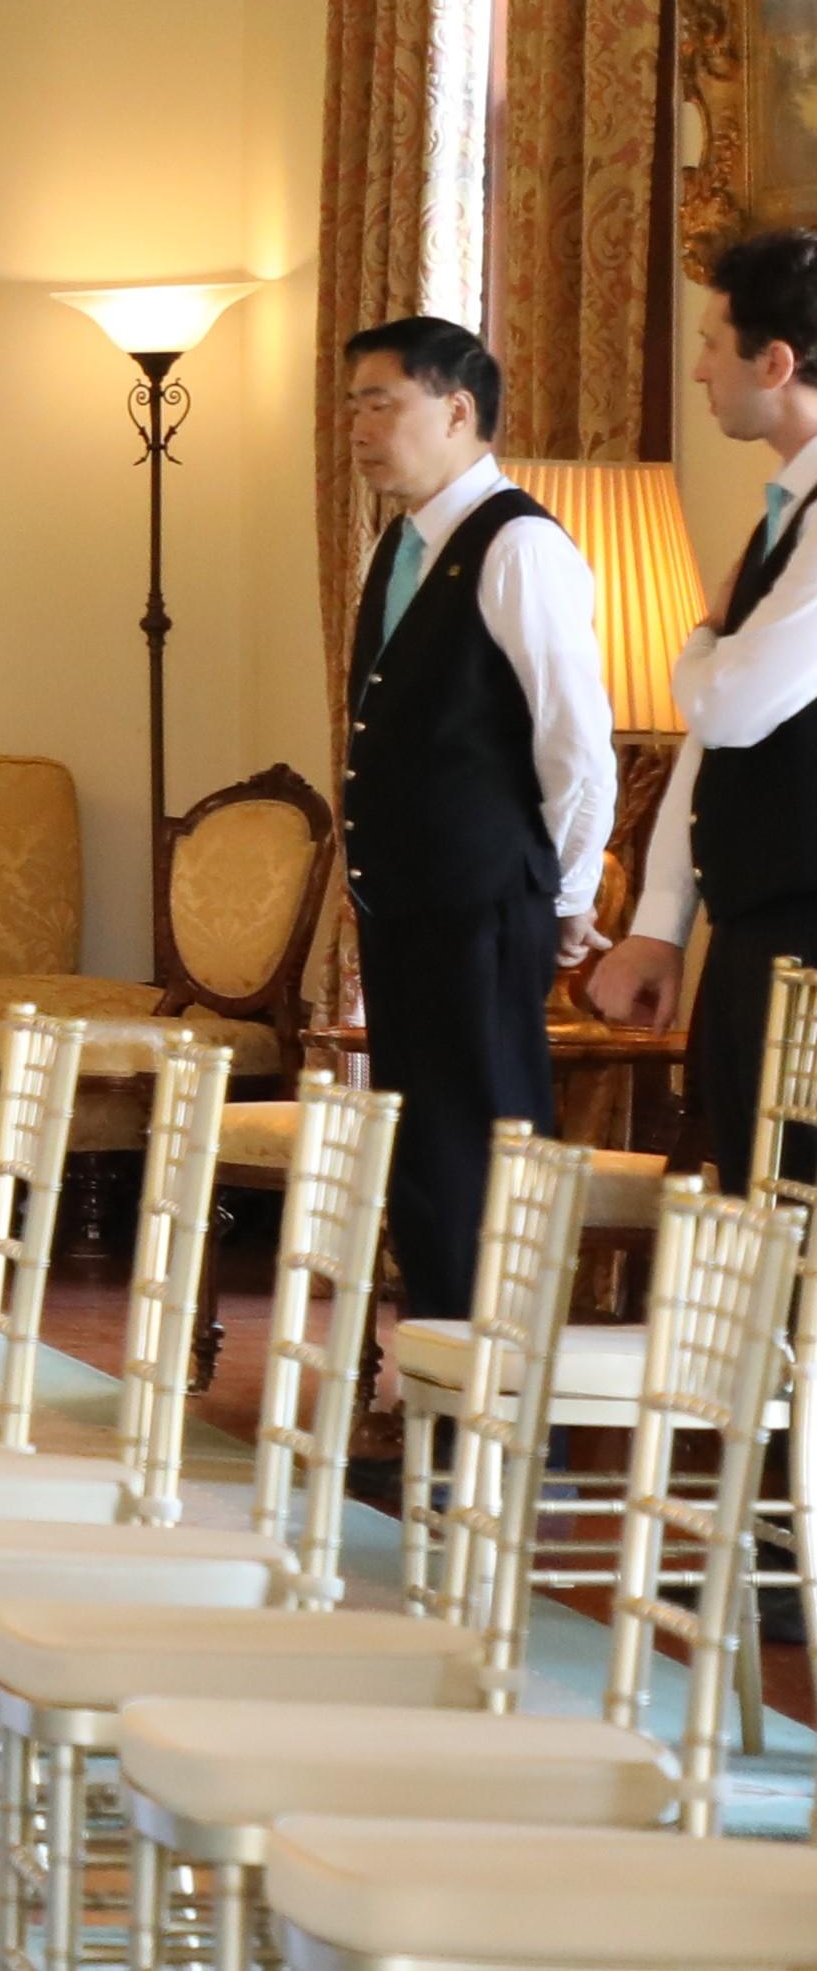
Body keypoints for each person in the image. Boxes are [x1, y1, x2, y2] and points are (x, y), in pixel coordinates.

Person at [334, 313, 621, 1321]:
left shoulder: (518, 547)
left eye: (383, 403)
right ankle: (439, 1411)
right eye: (352, 407)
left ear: (457, 410)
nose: (361, 429)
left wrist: (568, 895)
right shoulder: (402, 546)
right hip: (410, 907)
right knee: (426, 1159)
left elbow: (576, 744)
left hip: (486, 905)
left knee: (488, 1155)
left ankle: (507, 1427)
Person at [573, 230, 817, 1172]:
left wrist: (705, 636)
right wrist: (656, 927)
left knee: (785, 1221)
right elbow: (715, 751)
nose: (700, 369)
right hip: (764, 931)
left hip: (804, 945)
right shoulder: (786, 513)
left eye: (715, 342)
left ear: (778, 360)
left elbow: (730, 707)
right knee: (746, 1209)